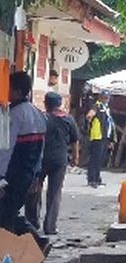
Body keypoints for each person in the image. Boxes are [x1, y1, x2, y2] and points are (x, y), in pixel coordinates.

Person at [0, 72, 46, 239]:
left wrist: (1, 179)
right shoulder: (37, 113)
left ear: (17, 91)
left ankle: (34, 242)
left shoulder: (13, 115)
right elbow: (41, 149)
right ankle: (37, 241)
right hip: (28, 174)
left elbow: (6, 149)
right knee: (9, 212)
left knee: (5, 215)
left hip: (12, 174)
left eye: (8, 88)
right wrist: (36, 175)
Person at [32, 91, 79, 236]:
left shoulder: (42, 118)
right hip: (60, 159)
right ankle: (50, 226)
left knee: (35, 190)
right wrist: (75, 158)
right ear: (59, 104)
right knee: (55, 192)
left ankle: (32, 223)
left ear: (46, 103)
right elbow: (74, 140)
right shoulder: (69, 119)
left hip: (41, 158)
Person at [84, 94, 113, 187]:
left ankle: (97, 178)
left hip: (104, 136)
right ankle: (92, 179)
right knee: (95, 159)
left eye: (108, 97)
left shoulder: (106, 108)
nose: (107, 99)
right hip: (97, 136)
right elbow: (89, 115)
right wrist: (90, 123)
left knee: (100, 159)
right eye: (105, 97)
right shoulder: (97, 106)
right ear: (100, 98)